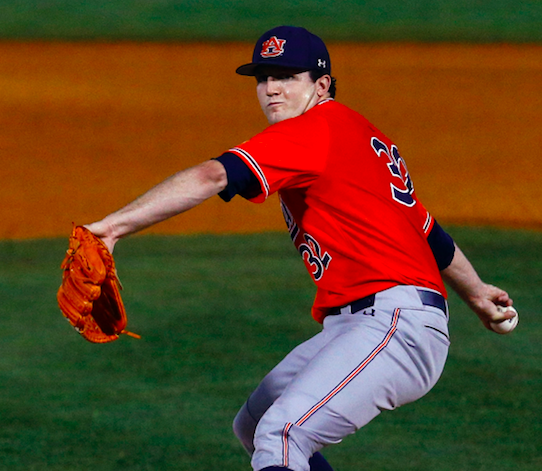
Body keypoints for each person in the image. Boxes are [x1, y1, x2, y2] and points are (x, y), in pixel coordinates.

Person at [85, 26, 515, 471]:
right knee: (254, 426)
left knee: (283, 434)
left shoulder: (314, 131)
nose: (271, 88)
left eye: (287, 76)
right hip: (367, 324)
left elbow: (213, 176)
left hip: (394, 324)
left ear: (321, 84)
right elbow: (427, 229)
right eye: (263, 77)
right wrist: (476, 292)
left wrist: (111, 229)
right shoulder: (357, 132)